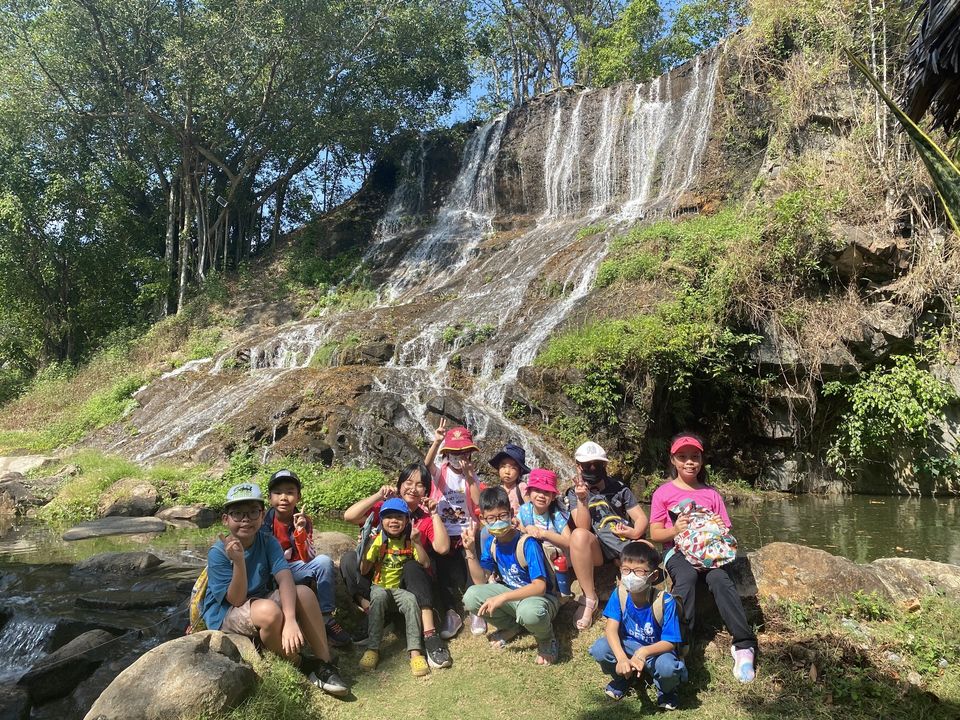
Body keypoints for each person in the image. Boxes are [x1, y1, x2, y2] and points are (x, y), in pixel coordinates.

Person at [200, 482, 349, 696]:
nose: (245, 519)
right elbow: (236, 599)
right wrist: (239, 562)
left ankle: (325, 663)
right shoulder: (218, 553)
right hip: (226, 613)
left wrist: (290, 619)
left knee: (304, 593)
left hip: (261, 601)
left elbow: (285, 577)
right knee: (269, 611)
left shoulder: (268, 542)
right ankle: (302, 663)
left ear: (262, 516)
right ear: (226, 519)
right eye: (237, 514)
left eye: (253, 512)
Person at [648, 432, 758, 682]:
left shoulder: (711, 495)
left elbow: (725, 531)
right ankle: (680, 645)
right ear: (673, 460)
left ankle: (744, 645)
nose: (689, 462)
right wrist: (675, 530)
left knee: (720, 579)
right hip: (677, 551)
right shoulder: (663, 493)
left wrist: (719, 526)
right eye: (683, 457)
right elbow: (655, 533)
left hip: (710, 552)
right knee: (685, 578)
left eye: (694, 457)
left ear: (701, 460)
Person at [341, 462, 452, 669]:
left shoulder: (425, 518)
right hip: (379, 582)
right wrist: (377, 495)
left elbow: (443, 548)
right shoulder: (387, 510)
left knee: (411, 566)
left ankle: (430, 636)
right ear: (399, 485)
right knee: (349, 559)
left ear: (426, 491)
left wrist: (435, 514)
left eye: (419, 485)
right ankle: (373, 613)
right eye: (408, 482)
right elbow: (349, 516)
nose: (413, 488)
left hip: (411, 585)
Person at [461, 487, 561, 665]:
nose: (498, 522)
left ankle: (546, 639)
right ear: (483, 520)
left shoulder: (527, 544)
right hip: (514, 598)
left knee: (528, 612)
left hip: (541, 600)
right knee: (471, 596)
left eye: (502, 516)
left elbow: (540, 587)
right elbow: (480, 581)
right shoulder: (492, 543)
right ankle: (512, 627)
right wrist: (470, 552)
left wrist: (502, 597)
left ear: (511, 513)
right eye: (491, 518)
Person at [588, 541, 687, 709]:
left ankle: (666, 690)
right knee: (600, 648)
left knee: (668, 668)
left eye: (639, 571)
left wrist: (643, 652)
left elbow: (670, 642)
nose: (631, 576)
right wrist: (620, 658)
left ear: (654, 576)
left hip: (656, 652)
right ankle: (624, 678)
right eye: (626, 570)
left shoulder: (665, 601)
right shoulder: (620, 594)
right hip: (627, 647)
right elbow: (611, 629)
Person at [260, 468, 352, 647]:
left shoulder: (303, 520)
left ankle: (326, 617)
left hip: (294, 569)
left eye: (289, 492)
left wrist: (300, 532)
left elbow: (309, 557)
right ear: (270, 498)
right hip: (270, 572)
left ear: (299, 497)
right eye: (278, 493)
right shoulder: (263, 520)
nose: (284, 497)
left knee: (324, 562)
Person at [566, 440, 648, 631]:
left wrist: (634, 532)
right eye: (587, 465)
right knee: (578, 535)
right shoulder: (572, 493)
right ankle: (589, 598)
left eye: (598, 464)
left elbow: (641, 518)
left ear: (605, 465)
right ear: (578, 466)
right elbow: (583, 526)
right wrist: (582, 499)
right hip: (596, 549)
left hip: (619, 541)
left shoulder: (619, 488)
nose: (592, 468)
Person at [358, 497, 433, 676]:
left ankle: (415, 653)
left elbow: (426, 564)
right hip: (379, 587)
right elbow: (363, 570)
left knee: (411, 600)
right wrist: (367, 546)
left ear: (407, 520)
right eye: (388, 517)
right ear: (381, 521)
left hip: (400, 590)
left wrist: (417, 542)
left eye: (399, 517)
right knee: (379, 595)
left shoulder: (409, 540)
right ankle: (373, 649)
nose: (393, 521)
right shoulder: (378, 540)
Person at [424, 418, 484, 638]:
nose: (459, 458)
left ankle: (476, 609)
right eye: (454, 453)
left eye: (464, 453)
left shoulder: (472, 475)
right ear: (446, 453)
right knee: (445, 573)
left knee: (472, 568)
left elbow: (477, 502)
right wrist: (436, 441)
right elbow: (427, 464)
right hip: (445, 532)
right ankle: (452, 612)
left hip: (467, 529)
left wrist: (469, 477)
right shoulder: (441, 471)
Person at [515, 468, 571, 559]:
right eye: (537, 490)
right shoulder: (524, 510)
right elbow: (518, 531)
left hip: (554, 557)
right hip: (531, 556)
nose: (541, 495)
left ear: (553, 496)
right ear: (529, 492)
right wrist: (526, 528)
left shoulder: (556, 514)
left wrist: (544, 533)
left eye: (546, 492)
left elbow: (568, 541)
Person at [487, 442, 530, 512]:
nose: (507, 471)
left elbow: (530, 509)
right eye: (503, 466)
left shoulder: (521, 487)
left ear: (520, 471)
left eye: (513, 468)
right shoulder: (498, 489)